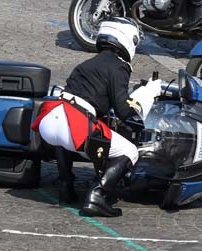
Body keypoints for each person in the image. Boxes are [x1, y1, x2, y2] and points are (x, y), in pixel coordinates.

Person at [31, 18, 161, 217]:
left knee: (67, 139)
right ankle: (97, 196)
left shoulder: (88, 63)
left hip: (51, 119)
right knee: (130, 151)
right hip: (73, 123)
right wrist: (149, 93)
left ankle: (66, 187)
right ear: (126, 38)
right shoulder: (119, 66)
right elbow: (123, 110)